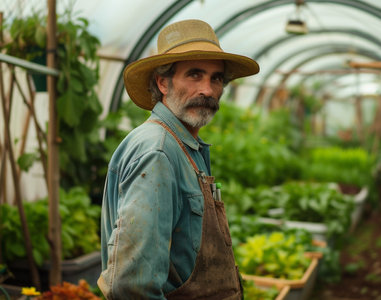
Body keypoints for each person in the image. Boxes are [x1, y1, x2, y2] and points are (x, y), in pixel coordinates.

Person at [97, 19, 259, 299]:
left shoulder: (182, 145)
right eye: (194, 75)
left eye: (216, 78)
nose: (207, 90)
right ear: (163, 82)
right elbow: (132, 285)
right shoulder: (157, 152)